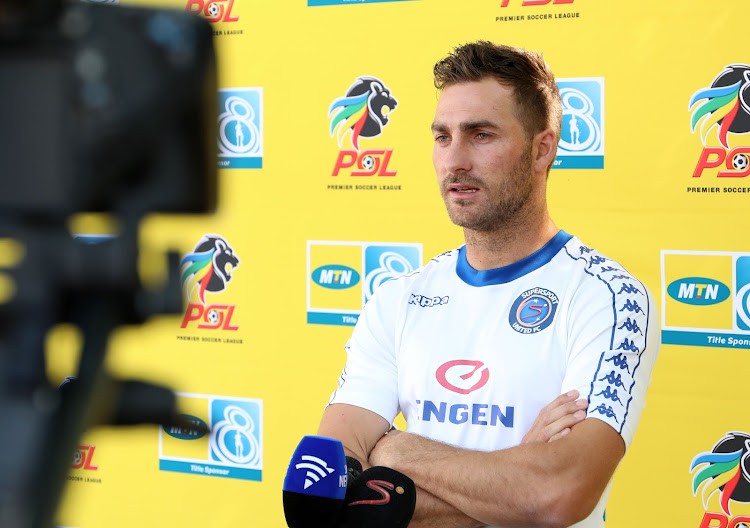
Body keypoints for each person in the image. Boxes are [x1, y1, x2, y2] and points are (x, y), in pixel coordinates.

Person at [317, 41, 660, 528]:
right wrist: (515, 472)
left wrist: (396, 453)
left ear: (542, 149)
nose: (455, 160)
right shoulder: (398, 299)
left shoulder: (607, 297)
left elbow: (557, 494)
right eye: (442, 137)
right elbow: (320, 496)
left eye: (480, 135)